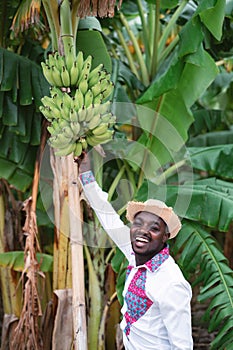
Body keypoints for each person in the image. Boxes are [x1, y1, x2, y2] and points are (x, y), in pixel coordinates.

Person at [78, 154, 193, 350]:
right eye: (138, 224)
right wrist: (86, 174)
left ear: (165, 236)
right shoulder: (134, 254)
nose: (143, 231)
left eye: (154, 228)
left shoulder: (171, 283)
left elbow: (182, 346)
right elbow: (109, 217)